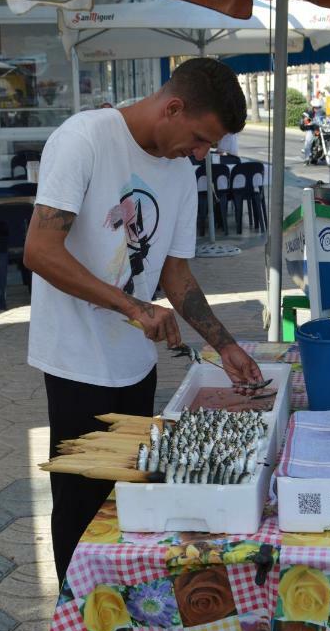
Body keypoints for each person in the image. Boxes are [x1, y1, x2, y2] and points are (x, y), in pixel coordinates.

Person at [23, 58, 263, 584]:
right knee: (80, 510)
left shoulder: (180, 173)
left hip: (136, 365)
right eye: (200, 138)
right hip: (76, 364)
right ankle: (79, 627)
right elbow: (40, 251)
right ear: (172, 107)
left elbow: (175, 273)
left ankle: (124, 618)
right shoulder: (84, 139)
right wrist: (133, 306)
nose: (201, 154)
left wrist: (224, 345)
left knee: (128, 503)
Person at [300, 98, 322, 163]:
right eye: (316, 107)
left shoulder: (322, 112)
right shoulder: (309, 112)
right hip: (311, 128)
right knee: (308, 141)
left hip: (319, 128)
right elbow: (305, 118)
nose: (317, 109)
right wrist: (308, 121)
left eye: (318, 107)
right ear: (313, 107)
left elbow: (325, 118)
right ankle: (306, 158)